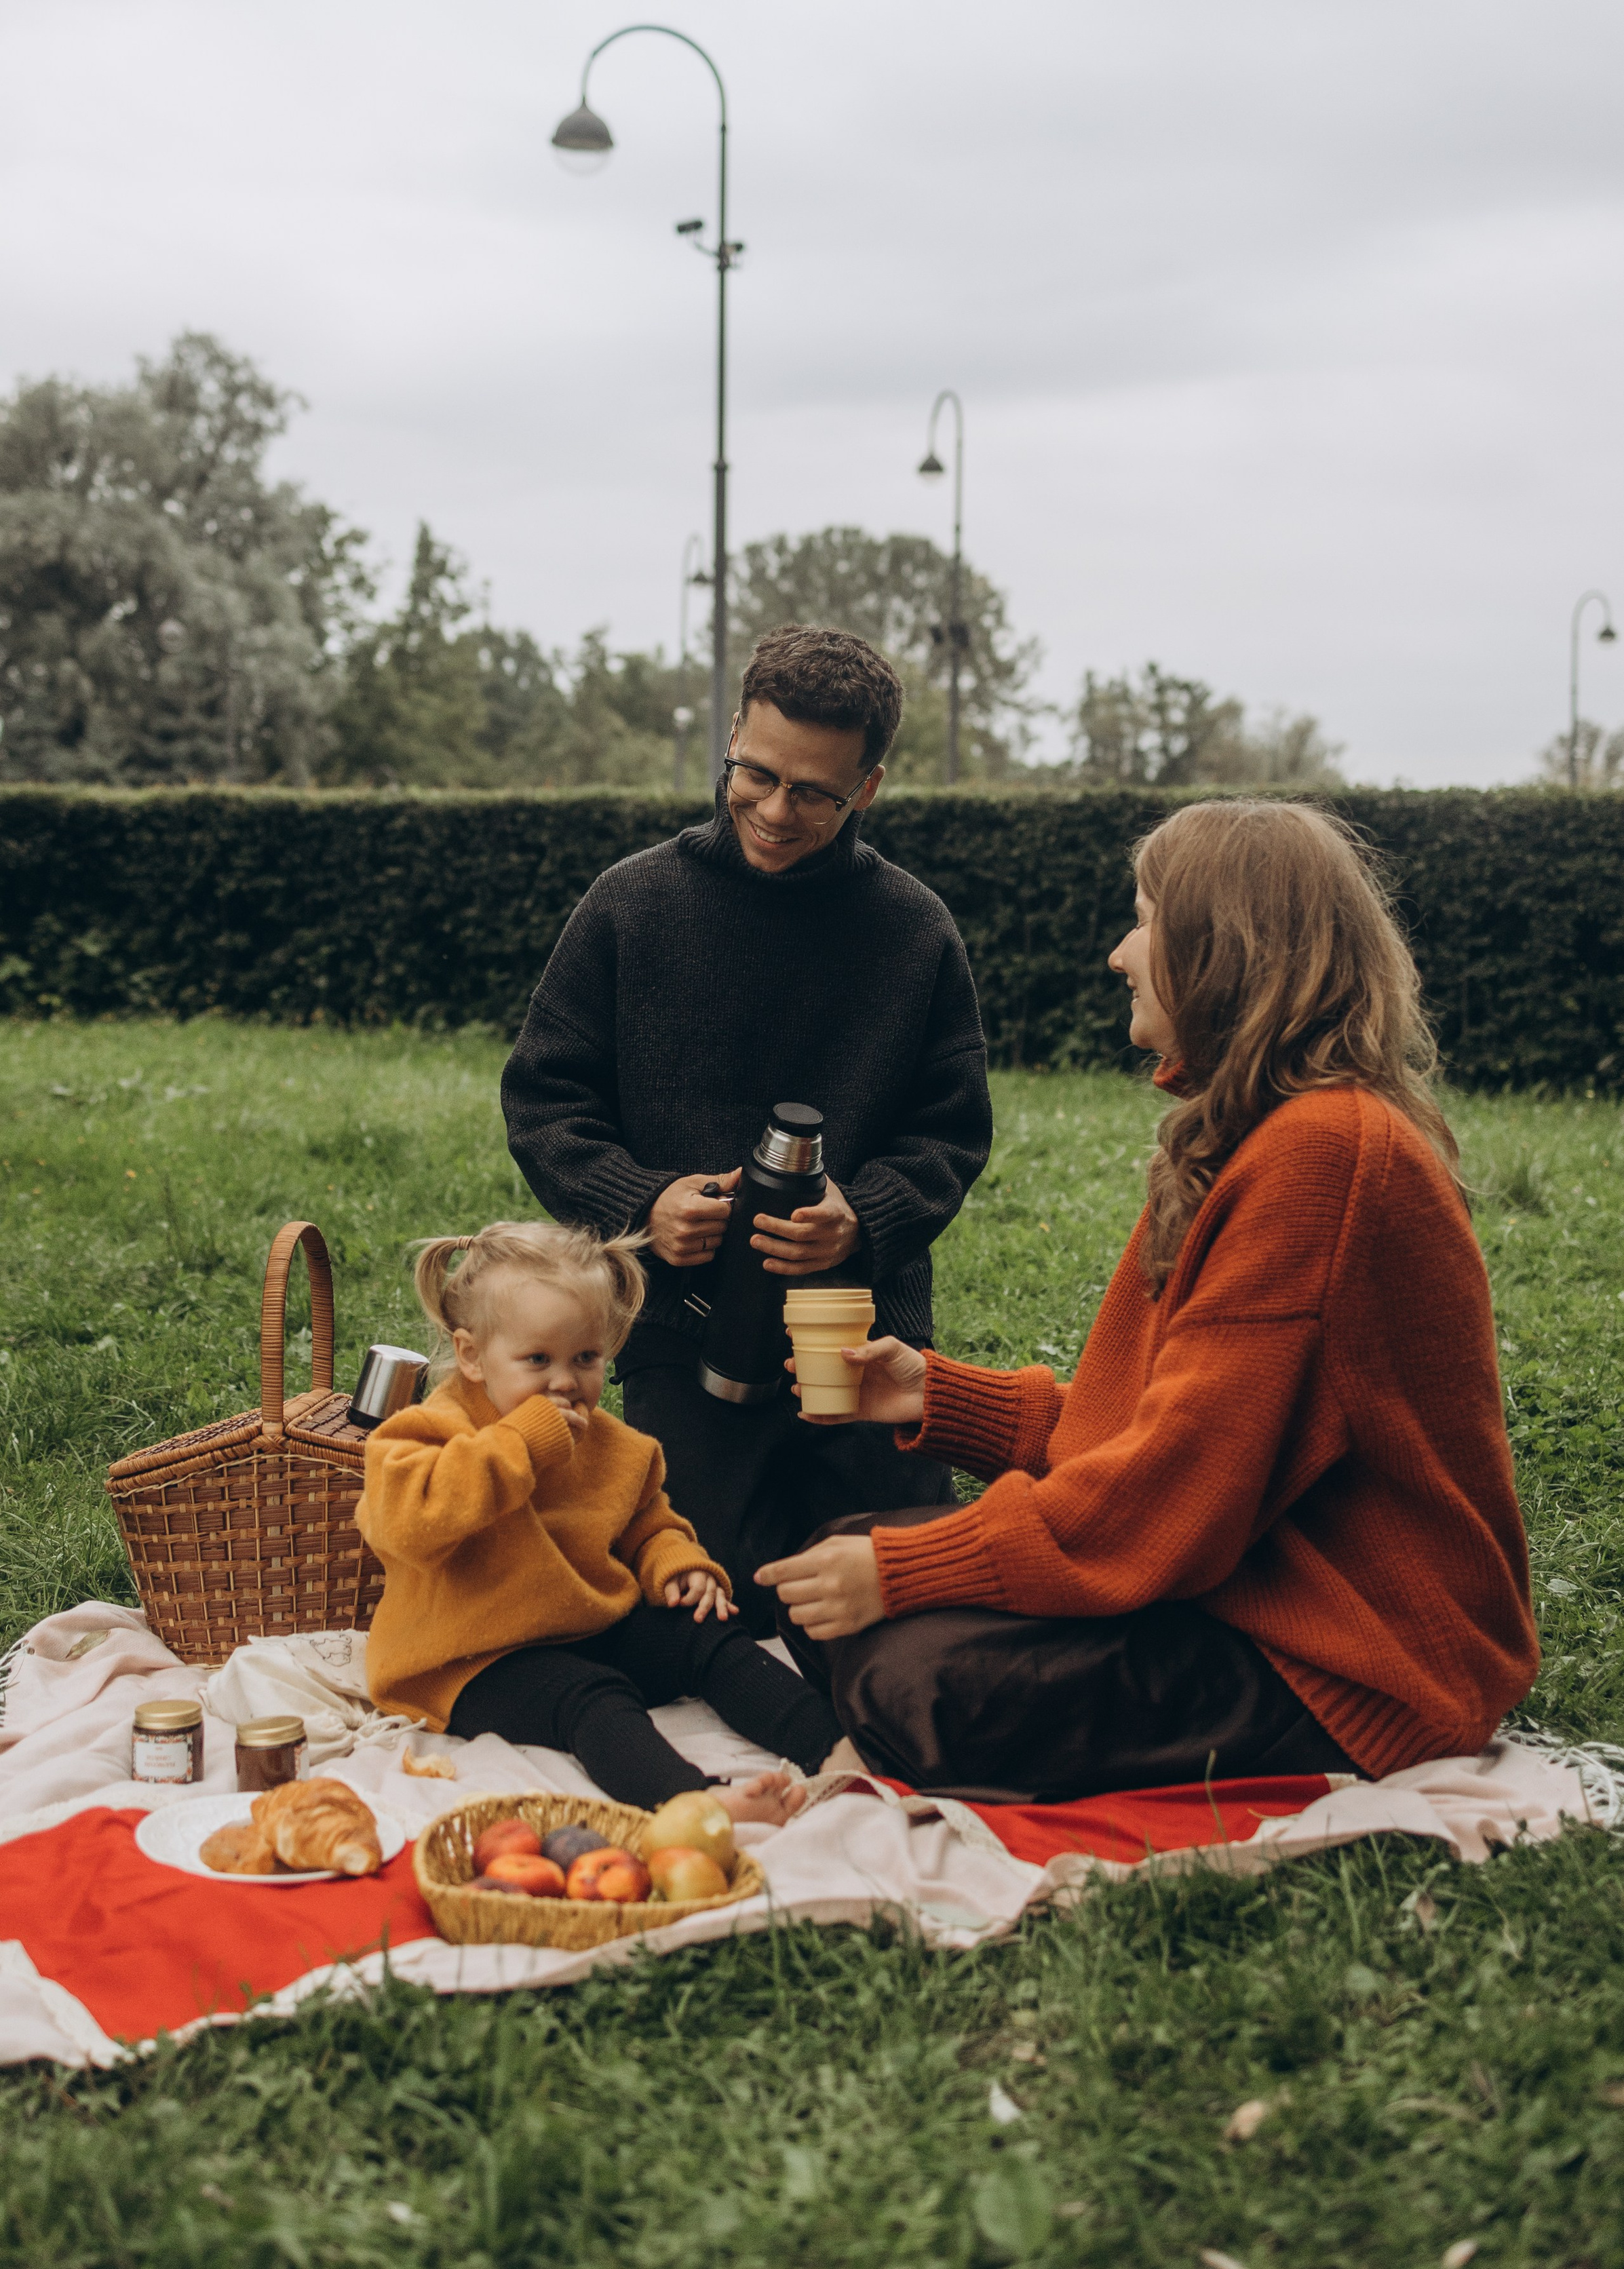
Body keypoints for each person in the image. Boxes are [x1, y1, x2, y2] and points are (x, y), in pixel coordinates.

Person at [756, 799, 1539, 1802]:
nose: (1119, 954)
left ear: (1223, 948)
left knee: (912, 1674)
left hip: (1353, 1659)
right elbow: (1153, 1429)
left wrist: (911, 1571)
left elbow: (1170, 1493)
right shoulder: (1255, 1132)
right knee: (832, 1568)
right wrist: (937, 1396)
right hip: (1239, 1579)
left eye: (1142, 921)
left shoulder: (1324, 1155)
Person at [501, 623, 993, 1628]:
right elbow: (545, 1097)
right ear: (731, 736)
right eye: (756, 774)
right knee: (705, 1604)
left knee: (907, 1609)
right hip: (682, 1332)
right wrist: (641, 1202)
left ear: (868, 787)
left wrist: (864, 1218)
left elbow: (951, 1132)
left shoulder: (915, 930)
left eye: (813, 792)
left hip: (862, 1338)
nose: (773, 810)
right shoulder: (632, 904)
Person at [355, 1222, 840, 1820]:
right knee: (591, 1698)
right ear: (472, 1356)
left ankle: (837, 1745)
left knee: (703, 1635)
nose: (565, 1380)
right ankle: (694, 1802)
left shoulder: (610, 1445)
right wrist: (517, 1445)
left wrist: (676, 1563)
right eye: (538, 1359)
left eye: (585, 1357)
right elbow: (406, 1524)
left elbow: (647, 1521)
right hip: (470, 1659)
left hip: (583, 1626)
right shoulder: (432, 1430)